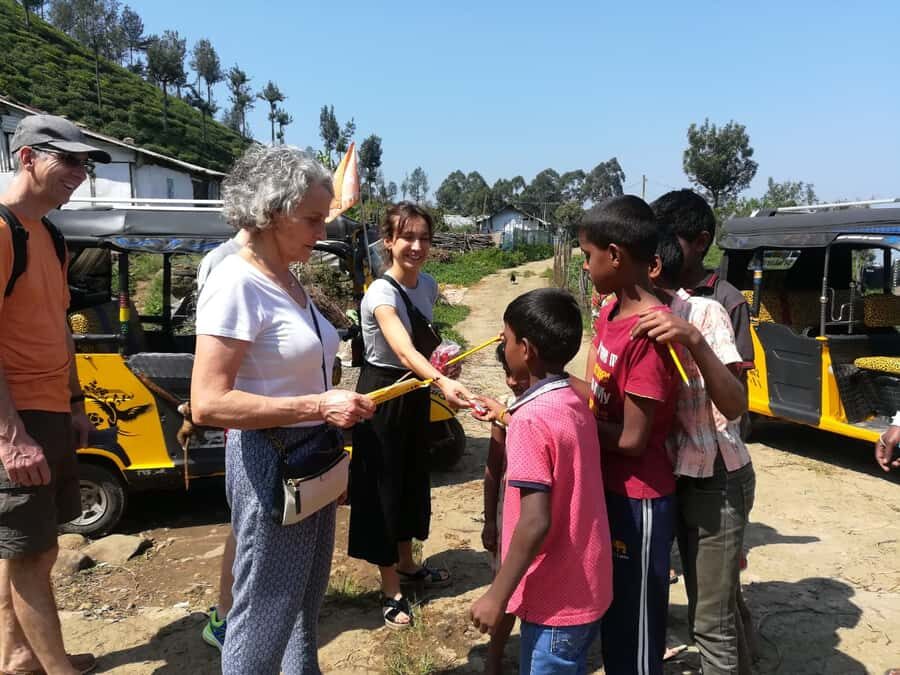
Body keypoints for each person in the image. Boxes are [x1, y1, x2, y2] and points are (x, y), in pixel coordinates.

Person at [190, 145, 375, 674]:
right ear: (272, 212)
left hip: (311, 455)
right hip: (273, 461)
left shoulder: (288, 276)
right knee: (263, 611)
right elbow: (208, 401)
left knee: (303, 603)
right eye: (313, 219)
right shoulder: (235, 281)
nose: (322, 232)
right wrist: (317, 403)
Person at [0, 115, 111, 675]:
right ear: (26, 158)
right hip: (15, 412)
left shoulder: (49, 234)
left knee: (24, 546)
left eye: (84, 162)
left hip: (47, 408)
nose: (80, 172)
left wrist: (73, 403)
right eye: (67, 160)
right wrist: (11, 435)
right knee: (34, 552)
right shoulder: (1, 229)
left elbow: (58, 326)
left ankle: (19, 658)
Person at [469, 288, 612, 674]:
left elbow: (535, 521)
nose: (504, 346)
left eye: (507, 339)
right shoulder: (573, 403)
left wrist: (497, 595)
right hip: (587, 585)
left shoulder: (531, 420)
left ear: (527, 349)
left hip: (555, 601)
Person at [634, 227, 756, 675]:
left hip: (717, 480)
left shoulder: (704, 313)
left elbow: (735, 404)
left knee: (710, 623)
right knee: (712, 606)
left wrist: (693, 340)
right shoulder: (624, 317)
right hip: (674, 478)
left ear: (649, 267)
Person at [348, 201, 473, 629]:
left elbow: (421, 351)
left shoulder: (429, 285)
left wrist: (442, 364)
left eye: (424, 237)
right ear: (389, 241)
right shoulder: (380, 292)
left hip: (416, 393)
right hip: (382, 396)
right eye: (407, 237)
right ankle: (389, 587)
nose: (417, 246)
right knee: (382, 487)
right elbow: (401, 348)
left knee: (411, 481)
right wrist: (441, 379)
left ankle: (407, 564)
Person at [576, 195, 679, 675]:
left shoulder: (648, 335)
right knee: (614, 617)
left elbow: (635, 439)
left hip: (641, 500)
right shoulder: (610, 314)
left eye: (587, 255)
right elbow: (597, 394)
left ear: (614, 255)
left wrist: (573, 426)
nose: (584, 264)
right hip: (610, 488)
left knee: (636, 629)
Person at [195, 227, 250, 651]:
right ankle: (228, 615)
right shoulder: (227, 266)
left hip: (270, 426)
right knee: (244, 529)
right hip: (251, 426)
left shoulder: (281, 266)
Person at [472, 343, 529, 675]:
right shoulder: (504, 410)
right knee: (505, 591)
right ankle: (494, 658)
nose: (510, 381)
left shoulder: (549, 406)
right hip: (508, 516)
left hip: (537, 517)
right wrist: (489, 521)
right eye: (505, 373)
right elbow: (493, 469)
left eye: (515, 372)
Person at [653, 189, 754, 371]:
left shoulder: (728, 301)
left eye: (668, 239)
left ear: (701, 242)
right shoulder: (653, 289)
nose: (658, 248)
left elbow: (737, 382)